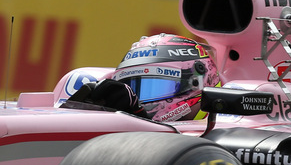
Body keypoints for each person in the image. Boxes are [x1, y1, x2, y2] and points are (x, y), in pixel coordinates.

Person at [65, 34, 221, 122]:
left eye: (156, 86)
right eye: (134, 89)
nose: (137, 100)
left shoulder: (231, 126)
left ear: (198, 83)